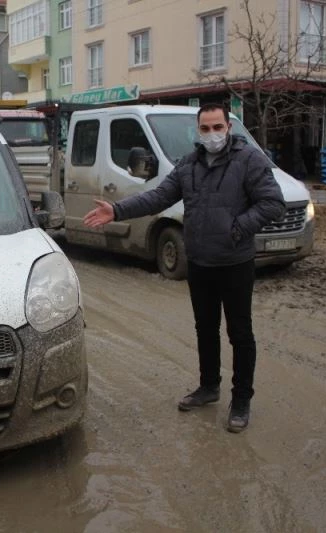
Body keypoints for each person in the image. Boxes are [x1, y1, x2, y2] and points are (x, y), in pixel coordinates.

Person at [83, 104, 285, 433]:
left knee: (240, 334)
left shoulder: (250, 160)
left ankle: (242, 399)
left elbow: (272, 202)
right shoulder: (189, 165)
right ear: (197, 131)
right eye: (205, 128)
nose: (212, 134)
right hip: (201, 263)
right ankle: (208, 387)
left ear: (228, 128)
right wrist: (117, 210)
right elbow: (159, 196)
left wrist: (237, 228)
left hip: (235, 262)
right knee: (205, 329)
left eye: (217, 126)